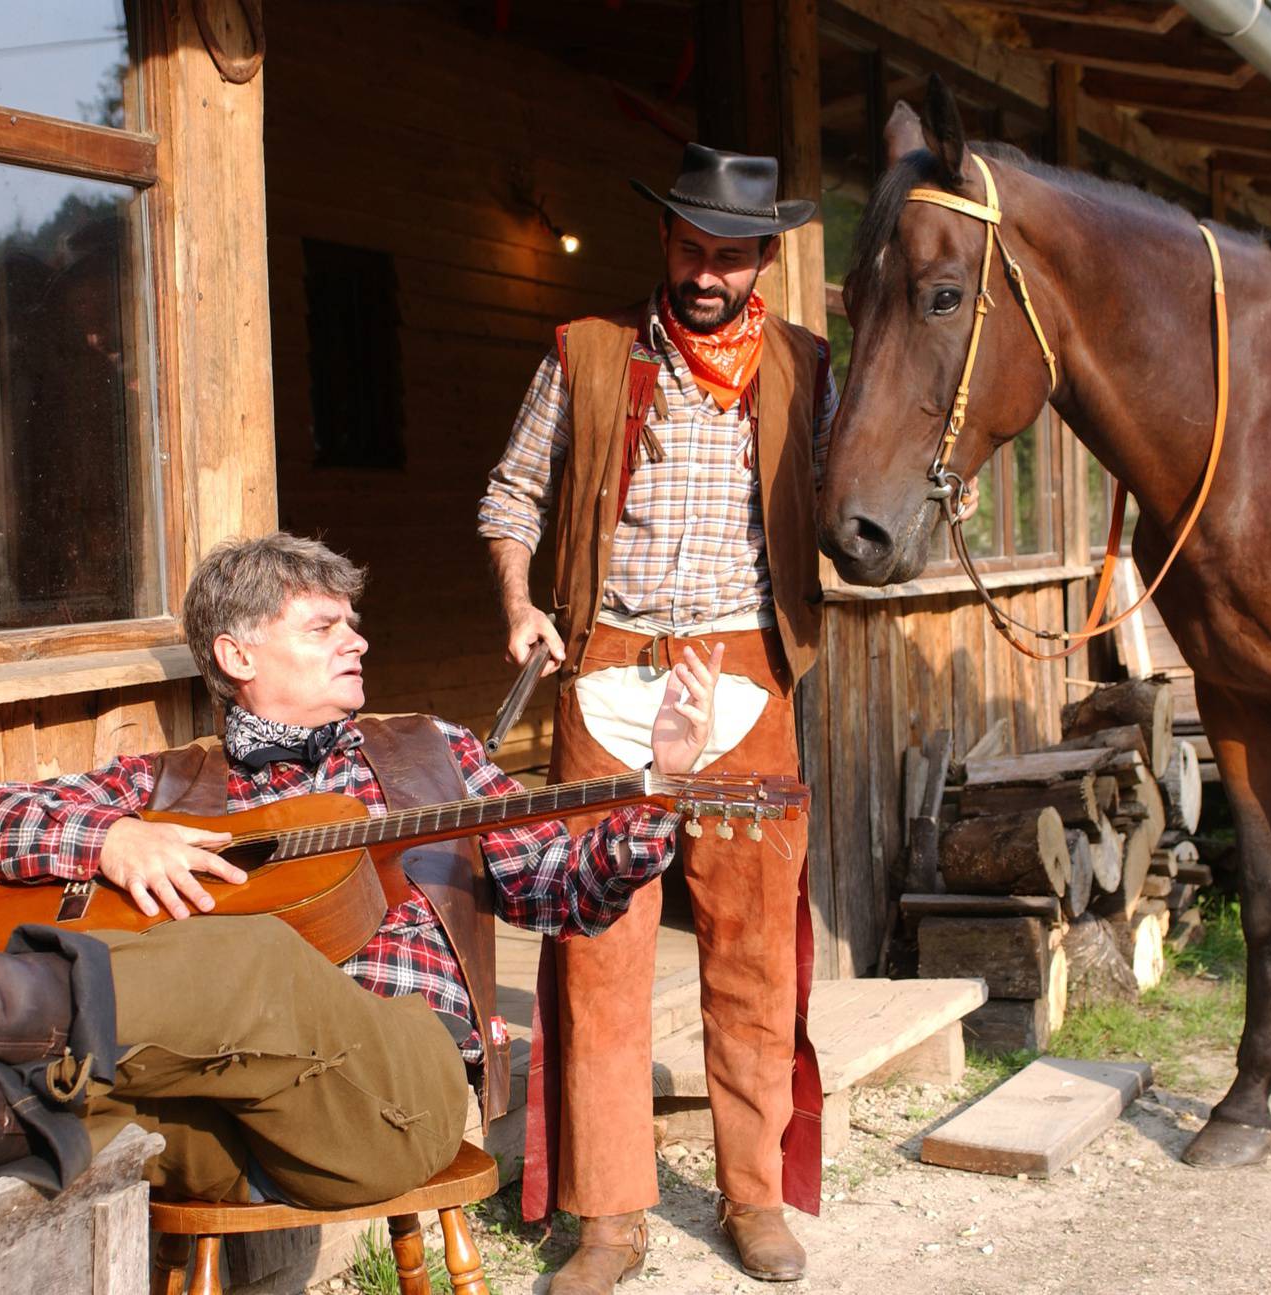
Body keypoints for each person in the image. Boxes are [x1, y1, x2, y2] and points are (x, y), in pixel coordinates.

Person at [0, 531, 723, 1244]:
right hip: (211, 1122)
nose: (358, 642)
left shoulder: (433, 754)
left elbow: (566, 886)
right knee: (66, 1101)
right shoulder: (168, 784)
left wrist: (661, 792)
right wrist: (111, 836)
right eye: (325, 625)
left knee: (249, 956)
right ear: (238, 655)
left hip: (392, 1098)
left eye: (355, 624)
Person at [479, 142, 837, 1289]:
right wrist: (520, 603)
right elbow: (509, 494)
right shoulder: (588, 355)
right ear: (667, 244)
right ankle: (610, 1217)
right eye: (691, 248)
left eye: (730, 256)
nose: (706, 273)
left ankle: (751, 1195)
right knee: (599, 953)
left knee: (748, 950)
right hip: (609, 670)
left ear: (763, 260)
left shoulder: (807, 368)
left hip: (745, 676)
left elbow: (862, 492)